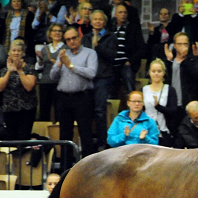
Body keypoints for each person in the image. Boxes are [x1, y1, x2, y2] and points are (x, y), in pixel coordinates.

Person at [50, 26, 98, 168]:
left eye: (74, 38)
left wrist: (70, 66)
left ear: (79, 37)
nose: (72, 41)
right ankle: (66, 168)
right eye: (68, 39)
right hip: (64, 98)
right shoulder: (64, 54)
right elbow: (52, 76)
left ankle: (87, 168)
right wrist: (60, 62)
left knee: (85, 133)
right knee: (65, 135)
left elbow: (91, 73)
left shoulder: (90, 53)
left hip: (82, 98)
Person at [82, 10, 116, 151]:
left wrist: (98, 46)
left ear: (104, 22)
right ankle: (88, 145)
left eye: (100, 19)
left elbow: (112, 57)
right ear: (91, 21)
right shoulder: (85, 37)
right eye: (95, 19)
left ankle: (102, 144)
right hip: (87, 78)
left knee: (100, 111)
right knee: (86, 112)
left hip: (103, 77)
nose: (97, 21)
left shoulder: (111, 37)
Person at [164, 32, 198, 134]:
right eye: (179, 44)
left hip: (188, 101)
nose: (182, 47)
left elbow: (197, 76)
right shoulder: (170, 61)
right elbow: (165, 78)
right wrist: (168, 61)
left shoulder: (194, 60)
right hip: (172, 102)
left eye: (185, 44)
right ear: (174, 45)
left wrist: (187, 59)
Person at [0, 39, 37, 141]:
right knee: (11, 138)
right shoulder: (5, 70)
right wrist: (9, 72)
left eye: (19, 51)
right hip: (9, 109)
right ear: (9, 52)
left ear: (23, 53)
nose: (16, 53)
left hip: (26, 109)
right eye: (13, 50)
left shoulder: (30, 69)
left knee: (23, 138)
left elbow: (29, 87)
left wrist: (20, 71)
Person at [111, 3, 144, 98]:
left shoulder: (133, 27)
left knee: (130, 89)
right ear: (115, 15)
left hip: (126, 64)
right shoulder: (110, 28)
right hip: (112, 64)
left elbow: (142, 48)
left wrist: (130, 61)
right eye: (120, 12)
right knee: (111, 91)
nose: (123, 14)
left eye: (125, 12)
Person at [142, 59, 177, 146]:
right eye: (153, 71)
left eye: (159, 71)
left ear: (164, 73)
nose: (156, 74)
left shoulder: (170, 89)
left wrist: (158, 106)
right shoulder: (143, 89)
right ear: (149, 72)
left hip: (164, 131)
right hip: (147, 130)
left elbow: (173, 111)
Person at [36, 22, 64, 122]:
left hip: (59, 82)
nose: (57, 33)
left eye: (59, 31)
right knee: (44, 109)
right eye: (54, 31)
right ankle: (43, 134)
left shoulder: (65, 48)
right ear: (50, 33)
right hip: (45, 82)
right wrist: (40, 60)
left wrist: (55, 62)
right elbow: (39, 68)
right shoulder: (45, 48)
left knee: (59, 110)